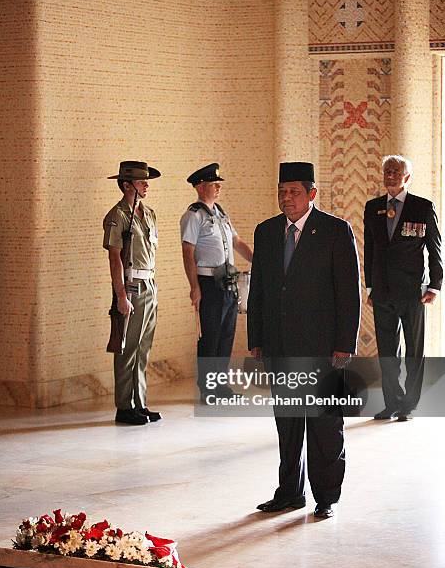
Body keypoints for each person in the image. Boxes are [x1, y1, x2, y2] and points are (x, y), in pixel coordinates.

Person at [247, 161, 361, 518]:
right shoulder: (266, 232)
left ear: (312, 194)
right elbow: (259, 291)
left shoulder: (334, 231)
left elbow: (348, 293)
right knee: (288, 422)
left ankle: (326, 497)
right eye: (282, 191)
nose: (287, 198)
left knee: (325, 426)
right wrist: (257, 340)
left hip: (324, 349)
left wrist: (345, 345)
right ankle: (289, 493)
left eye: (294, 191)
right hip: (280, 347)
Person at [364, 155, 443, 422]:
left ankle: (409, 405)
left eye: (396, 171)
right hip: (383, 291)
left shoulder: (422, 206)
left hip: (414, 292)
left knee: (414, 351)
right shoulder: (373, 207)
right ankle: (391, 403)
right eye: (387, 170)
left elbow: (435, 249)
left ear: (406, 176)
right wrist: (370, 286)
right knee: (387, 351)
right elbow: (370, 249)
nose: (390, 175)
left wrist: (435, 285)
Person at [180, 163, 253, 402]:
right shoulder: (193, 215)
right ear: (201, 187)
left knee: (225, 336)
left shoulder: (221, 213)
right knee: (209, 338)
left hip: (227, 282)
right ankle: (207, 389)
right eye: (214, 184)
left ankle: (221, 387)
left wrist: (259, 261)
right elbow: (188, 252)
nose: (218, 188)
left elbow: (237, 241)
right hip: (208, 282)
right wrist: (194, 288)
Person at [103, 160, 162, 425]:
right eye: (141, 182)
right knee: (127, 347)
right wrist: (121, 296)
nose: (146, 185)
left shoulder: (147, 213)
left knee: (143, 348)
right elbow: (115, 258)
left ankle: (140, 402)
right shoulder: (118, 216)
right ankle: (124, 406)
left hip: (149, 284)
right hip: (131, 286)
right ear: (127, 186)